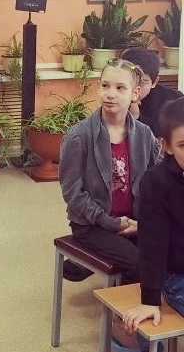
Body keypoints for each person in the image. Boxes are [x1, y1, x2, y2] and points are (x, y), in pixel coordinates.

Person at [59, 58, 158, 286]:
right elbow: (73, 195)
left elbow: (154, 184)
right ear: (98, 87)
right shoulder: (78, 136)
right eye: (105, 86)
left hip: (133, 221)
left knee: (170, 250)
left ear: (135, 93)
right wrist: (112, 223)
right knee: (140, 264)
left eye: (120, 88)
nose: (110, 94)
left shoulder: (145, 135)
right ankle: (124, 307)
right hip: (91, 225)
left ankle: (86, 266)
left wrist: (143, 223)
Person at [123, 97, 184, 334]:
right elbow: (152, 243)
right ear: (166, 146)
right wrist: (149, 300)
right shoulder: (156, 182)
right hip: (177, 275)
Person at [120, 47, 182, 138]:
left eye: (143, 82)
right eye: (131, 80)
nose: (136, 88)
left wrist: (137, 117)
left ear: (154, 82)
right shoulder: (114, 97)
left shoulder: (174, 99)